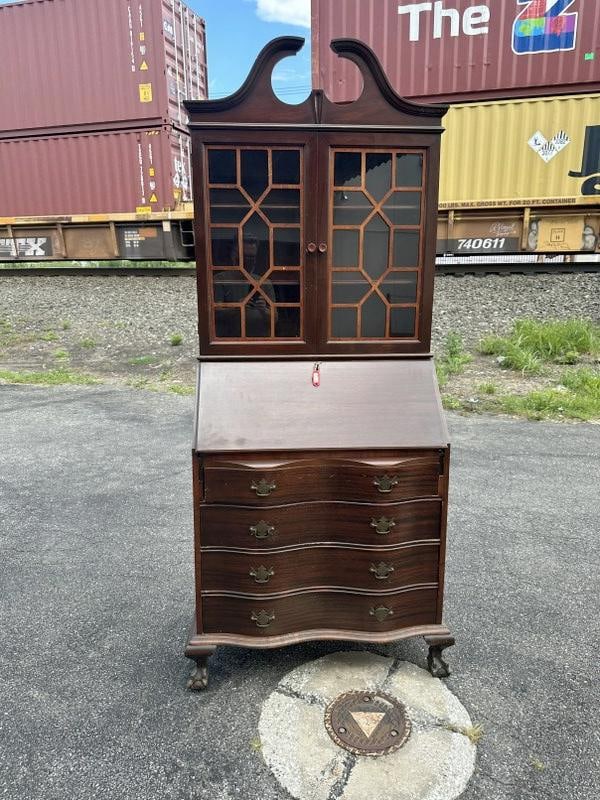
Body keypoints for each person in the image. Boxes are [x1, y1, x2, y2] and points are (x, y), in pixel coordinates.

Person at [213, 235, 277, 338]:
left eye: (252, 257)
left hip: (261, 341)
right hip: (229, 340)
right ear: (234, 256)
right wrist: (238, 307)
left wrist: (264, 310)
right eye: (245, 256)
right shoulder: (220, 280)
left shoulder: (264, 282)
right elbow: (214, 314)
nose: (249, 261)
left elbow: (275, 319)